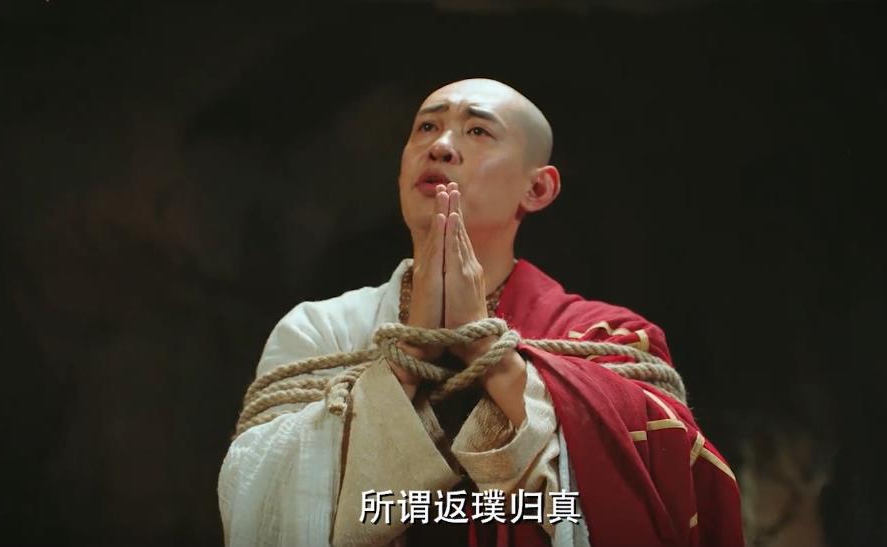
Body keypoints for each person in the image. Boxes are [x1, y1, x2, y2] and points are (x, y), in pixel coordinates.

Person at [218, 78, 744, 547]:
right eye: (426, 127)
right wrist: (410, 353)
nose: (441, 146)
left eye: (477, 131)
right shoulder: (319, 328)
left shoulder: (609, 337)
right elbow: (260, 491)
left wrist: (486, 350)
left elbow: (656, 496)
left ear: (537, 188)